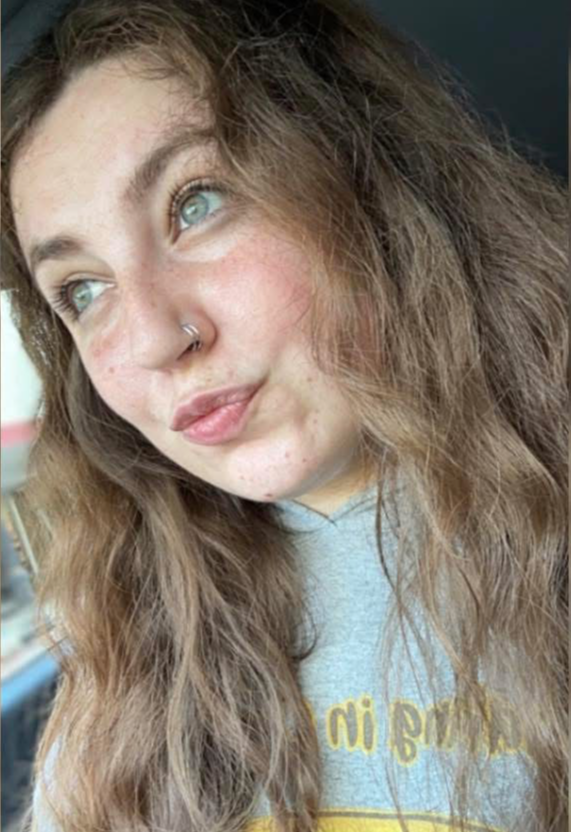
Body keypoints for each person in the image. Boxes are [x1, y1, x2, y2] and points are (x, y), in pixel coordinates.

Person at [1, 0, 567, 831]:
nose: (153, 338)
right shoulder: (120, 630)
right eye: (82, 291)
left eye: (196, 203)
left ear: (372, 179)